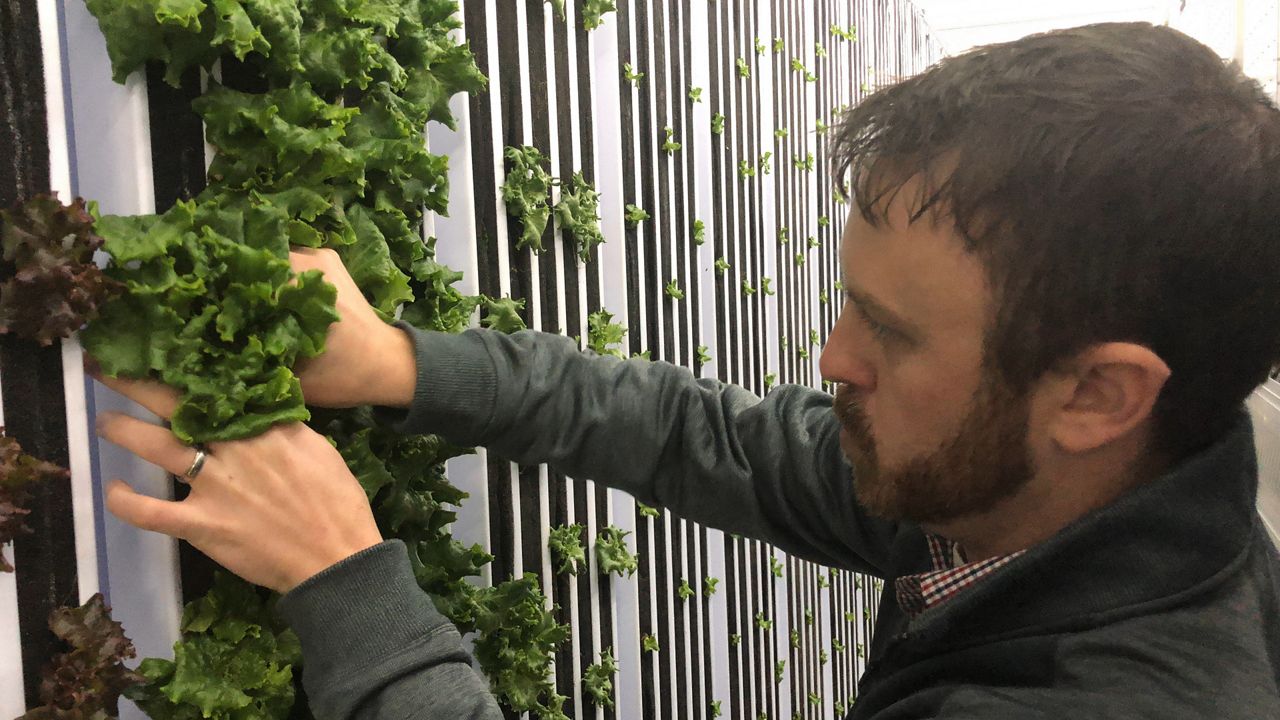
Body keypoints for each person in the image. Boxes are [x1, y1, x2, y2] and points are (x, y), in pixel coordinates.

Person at [89, 21, 1280, 720]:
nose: (831, 360)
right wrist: (401, 361)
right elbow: (705, 438)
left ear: (1096, 394)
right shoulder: (1048, 492)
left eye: (892, 333)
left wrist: (344, 581)